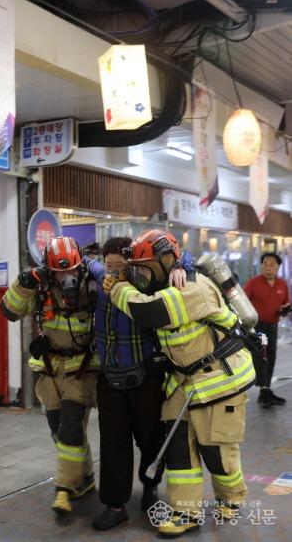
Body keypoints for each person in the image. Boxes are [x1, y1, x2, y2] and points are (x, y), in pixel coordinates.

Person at [104, 229, 256, 538]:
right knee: (178, 452)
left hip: (218, 379)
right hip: (184, 383)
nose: (141, 276)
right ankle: (186, 511)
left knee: (217, 451)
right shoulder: (170, 279)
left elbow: (148, 311)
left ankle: (233, 497)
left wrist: (118, 288)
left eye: (145, 268)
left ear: (166, 259)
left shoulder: (192, 287)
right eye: (137, 269)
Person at [92, 237, 189, 531]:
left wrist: (183, 266)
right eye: (109, 266)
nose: (113, 272)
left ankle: (150, 487)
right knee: (112, 442)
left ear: (132, 264)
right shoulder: (98, 279)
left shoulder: (148, 284)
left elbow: (181, 257)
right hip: (109, 375)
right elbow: (83, 261)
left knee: (150, 437)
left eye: (120, 267)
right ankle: (115, 504)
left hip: (146, 375)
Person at [0, 236, 102, 516]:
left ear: (80, 265)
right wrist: (23, 284)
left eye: (71, 270)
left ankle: (64, 488)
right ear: (48, 270)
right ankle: (85, 479)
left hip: (82, 370)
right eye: (60, 271)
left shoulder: (93, 284)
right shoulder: (41, 290)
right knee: (60, 430)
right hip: (51, 370)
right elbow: (8, 311)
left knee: (70, 426)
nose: (66, 277)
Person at [243, 252, 291, 408]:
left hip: (273, 326)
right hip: (257, 327)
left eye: (272, 265)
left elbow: (285, 303)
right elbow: (241, 302)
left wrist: (285, 310)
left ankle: (267, 389)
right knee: (260, 357)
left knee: (271, 357)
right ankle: (263, 391)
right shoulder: (253, 283)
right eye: (265, 264)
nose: (268, 268)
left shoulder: (282, 284)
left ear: (278, 267)